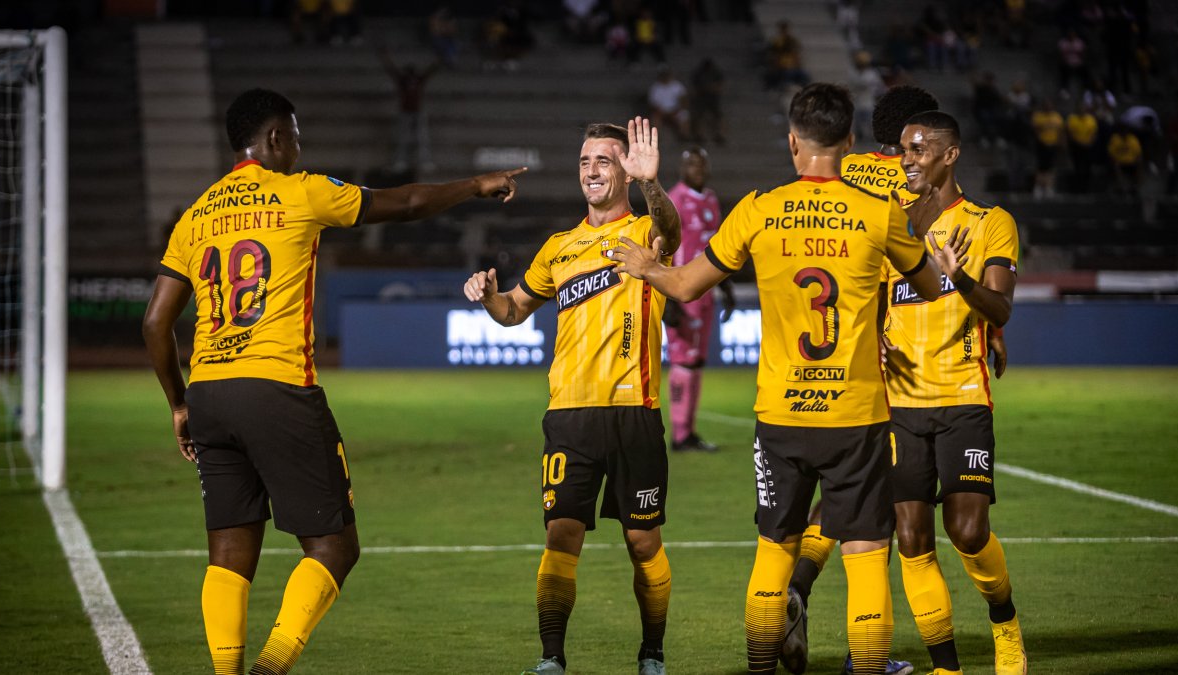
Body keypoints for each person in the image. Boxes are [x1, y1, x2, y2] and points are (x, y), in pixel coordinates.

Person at [142, 88, 525, 675]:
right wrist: (475, 186)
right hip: (276, 387)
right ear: (274, 139)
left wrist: (178, 404)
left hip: (209, 392)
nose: (299, 147)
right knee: (334, 548)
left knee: (228, 554)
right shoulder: (301, 191)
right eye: (294, 135)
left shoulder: (196, 215)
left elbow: (155, 322)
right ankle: (270, 670)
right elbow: (408, 202)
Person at [612, 83, 943, 674]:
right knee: (867, 555)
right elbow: (925, 286)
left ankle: (761, 667)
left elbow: (686, 285)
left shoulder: (759, 209)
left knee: (774, 550)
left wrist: (646, 265)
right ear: (848, 142)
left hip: (781, 417)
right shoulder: (878, 212)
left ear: (792, 142)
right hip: (856, 414)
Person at [463, 118, 681, 675]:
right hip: (569, 417)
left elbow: (672, 234)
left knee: (642, 542)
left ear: (625, 172)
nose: (591, 171)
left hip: (635, 413)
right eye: (585, 162)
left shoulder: (645, 233)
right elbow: (514, 310)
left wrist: (653, 184)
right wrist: (488, 298)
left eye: (603, 161)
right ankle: (551, 658)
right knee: (561, 537)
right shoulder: (558, 248)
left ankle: (652, 653)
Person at [784, 84, 980, 675]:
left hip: (831, 361)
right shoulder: (910, 181)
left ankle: (796, 584)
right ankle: (860, 652)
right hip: (899, 368)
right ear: (908, 137)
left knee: (845, 496)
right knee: (877, 517)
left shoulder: (840, 175)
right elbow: (926, 259)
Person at [884, 109, 1027, 675]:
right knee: (911, 539)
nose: (907, 159)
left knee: (967, 531)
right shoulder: (889, 225)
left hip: (963, 396)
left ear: (950, 155)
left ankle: (1006, 624)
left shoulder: (991, 221)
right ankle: (946, 667)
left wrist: (960, 277)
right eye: (903, 149)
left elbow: (1002, 309)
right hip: (900, 404)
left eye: (919, 149)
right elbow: (871, 298)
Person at [664, 146, 735, 452]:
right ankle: (680, 434)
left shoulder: (710, 199)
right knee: (684, 360)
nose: (698, 170)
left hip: (707, 293)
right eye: (692, 164)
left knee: (697, 360)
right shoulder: (673, 200)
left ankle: (689, 432)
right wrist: (667, 298)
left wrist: (727, 289)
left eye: (701, 164)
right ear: (681, 168)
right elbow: (662, 248)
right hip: (682, 291)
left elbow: (719, 248)